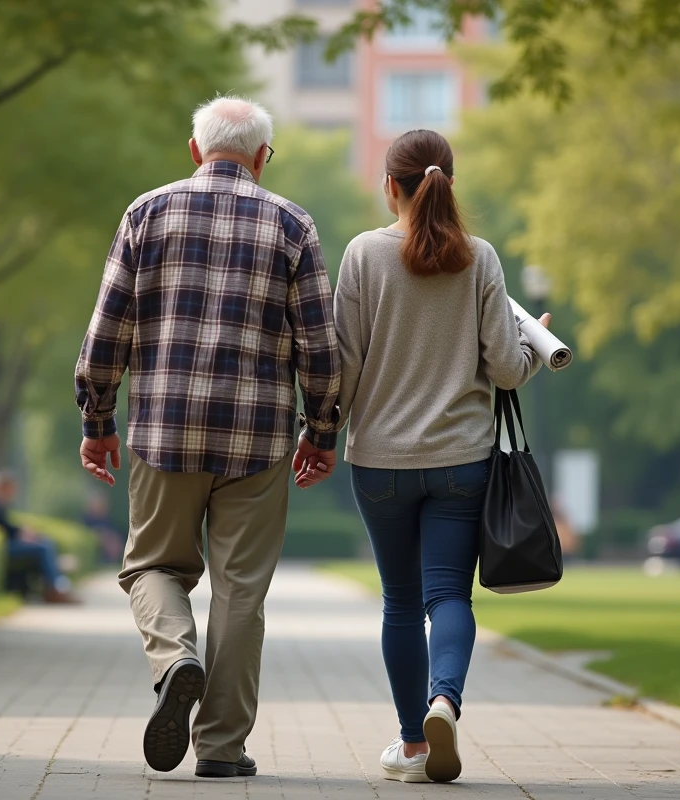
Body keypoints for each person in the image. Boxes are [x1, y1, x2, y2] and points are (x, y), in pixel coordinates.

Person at [75, 96, 340, 778]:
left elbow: (109, 330)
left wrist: (97, 421)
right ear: (261, 157)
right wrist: (322, 429)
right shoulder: (293, 224)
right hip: (257, 439)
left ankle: (174, 658)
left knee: (151, 566)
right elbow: (319, 343)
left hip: (163, 429)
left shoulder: (146, 212)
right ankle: (221, 748)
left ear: (196, 151)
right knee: (241, 589)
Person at [315, 129, 549, 784]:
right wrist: (536, 346)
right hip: (461, 461)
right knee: (448, 594)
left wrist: (323, 432)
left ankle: (413, 745)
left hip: (381, 462)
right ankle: (445, 698)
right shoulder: (480, 259)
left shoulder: (363, 255)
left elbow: (347, 368)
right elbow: (506, 369)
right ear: (449, 181)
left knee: (398, 601)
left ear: (390, 186)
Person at [0, 470, 81, 605]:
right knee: (43, 547)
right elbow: (3, 528)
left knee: (45, 543)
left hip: (5, 542)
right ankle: (57, 587)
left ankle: (57, 586)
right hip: (4, 545)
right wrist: (21, 533)